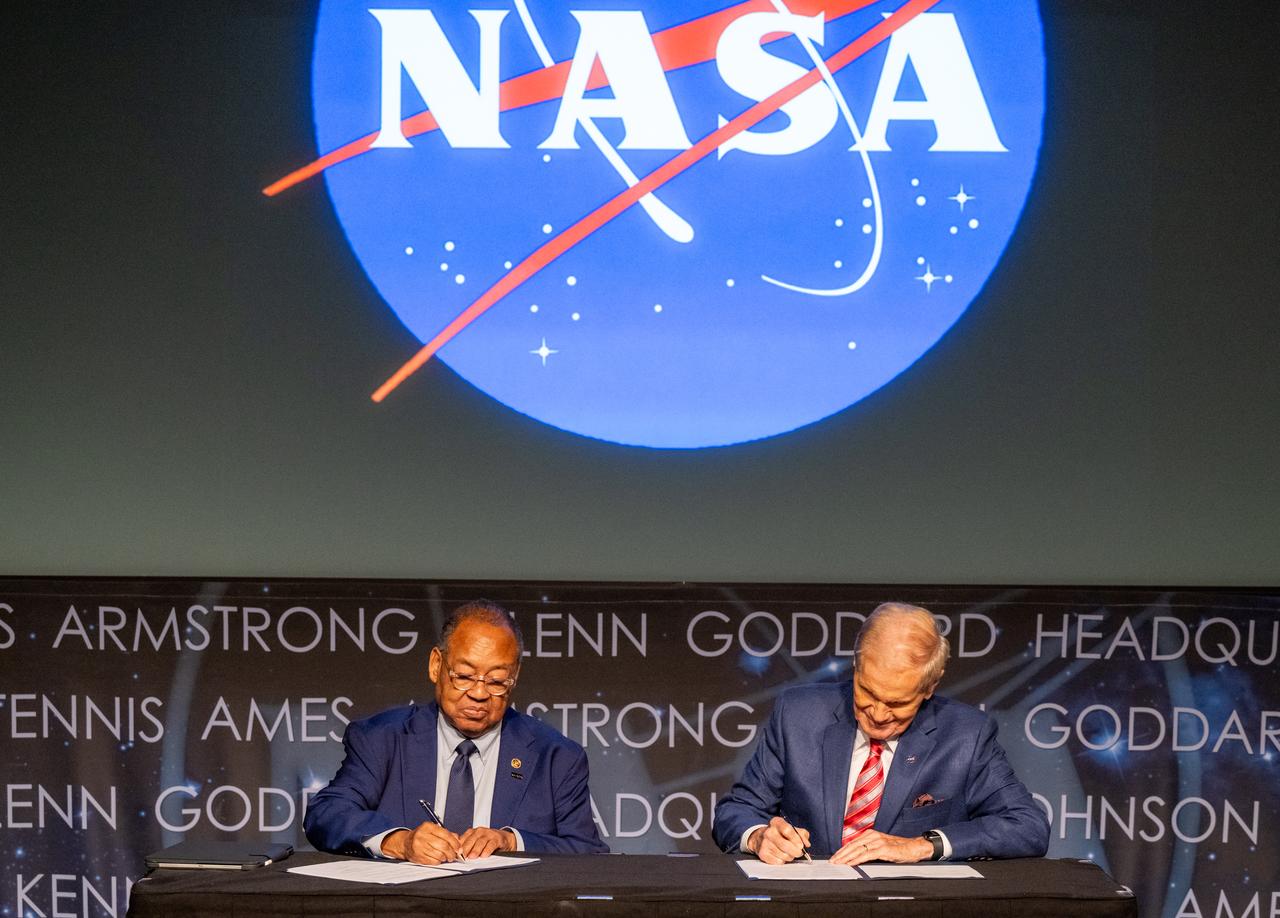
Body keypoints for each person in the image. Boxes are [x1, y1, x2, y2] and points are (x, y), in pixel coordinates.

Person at [713, 602, 1048, 865]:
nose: (877, 713)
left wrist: (921, 846)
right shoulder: (798, 715)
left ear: (930, 686)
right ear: (856, 665)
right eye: (867, 692)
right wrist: (758, 837)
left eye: (897, 703)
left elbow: (1028, 826)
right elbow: (736, 811)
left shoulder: (966, 735)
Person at [305, 600, 608, 863]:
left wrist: (513, 841)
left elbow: (588, 852)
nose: (478, 693)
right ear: (436, 665)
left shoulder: (556, 757)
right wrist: (400, 842)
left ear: (514, 678)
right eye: (463, 675)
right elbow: (327, 813)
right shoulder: (383, 739)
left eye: (496, 681)